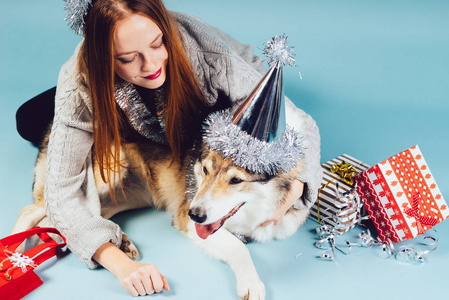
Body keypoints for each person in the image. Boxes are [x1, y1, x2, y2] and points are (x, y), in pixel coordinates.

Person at [15, 0, 322, 296]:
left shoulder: (210, 56)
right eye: (128, 56)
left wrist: (298, 185)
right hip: (120, 105)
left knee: (200, 142)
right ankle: (106, 91)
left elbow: (298, 122)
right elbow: (61, 189)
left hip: (201, 102)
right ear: (104, 58)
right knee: (29, 121)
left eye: (156, 43)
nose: (151, 65)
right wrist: (118, 263)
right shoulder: (80, 81)